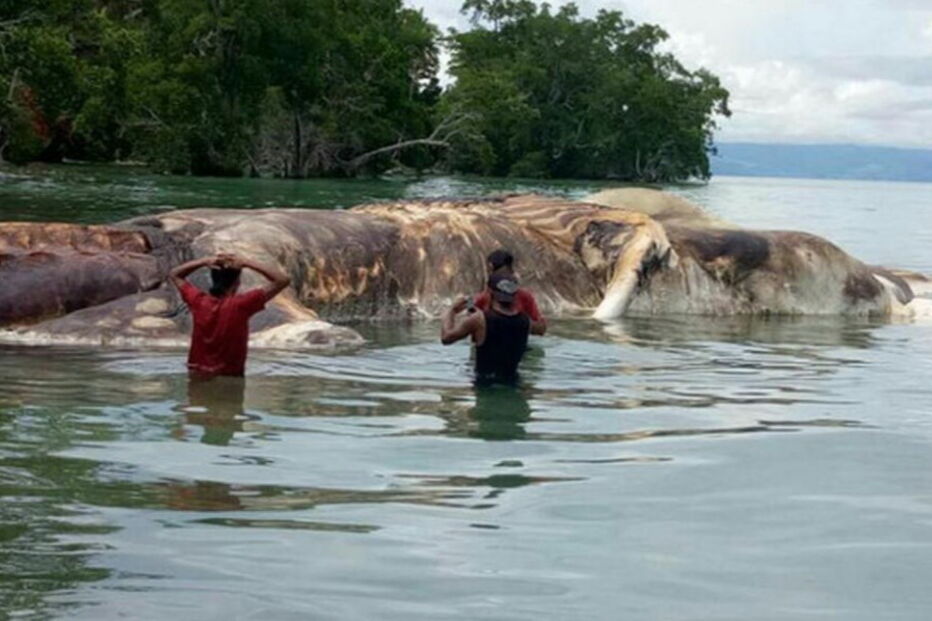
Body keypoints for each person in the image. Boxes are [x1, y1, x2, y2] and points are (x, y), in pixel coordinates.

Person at [169, 253, 290, 377]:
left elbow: (175, 274)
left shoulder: (198, 301)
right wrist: (247, 262)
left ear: (213, 280)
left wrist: (203, 261)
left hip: (197, 376)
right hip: (230, 377)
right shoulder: (243, 304)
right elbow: (282, 280)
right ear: (237, 283)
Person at [442, 273, 530, 384]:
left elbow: (446, 338)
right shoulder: (525, 321)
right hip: (513, 383)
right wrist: (472, 308)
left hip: (484, 385)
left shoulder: (479, 320)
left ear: (489, 291)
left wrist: (451, 310)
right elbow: (501, 324)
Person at [473, 249, 546, 335]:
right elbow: (470, 307)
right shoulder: (484, 296)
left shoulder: (525, 297)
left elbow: (541, 328)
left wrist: (517, 324)